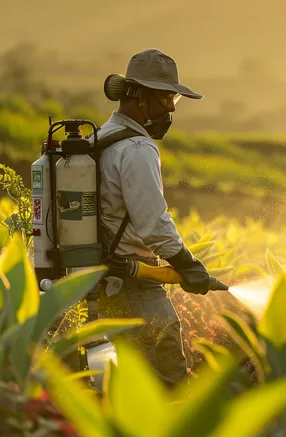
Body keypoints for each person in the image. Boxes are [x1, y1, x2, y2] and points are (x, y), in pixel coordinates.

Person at [92, 48, 213, 388]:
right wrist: (188, 264)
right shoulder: (136, 149)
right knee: (166, 384)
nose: (172, 107)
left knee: (128, 387)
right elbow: (154, 225)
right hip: (137, 289)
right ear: (140, 97)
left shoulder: (98, 140)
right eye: (165, 97)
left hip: (107, 286)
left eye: (174, 97)